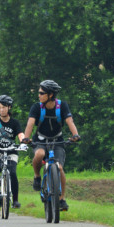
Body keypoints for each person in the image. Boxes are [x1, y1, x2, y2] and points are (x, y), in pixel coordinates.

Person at [21, 80, 81, 211]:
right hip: (40, 140)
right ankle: (37, 176)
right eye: (39, 92)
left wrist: (75, 135)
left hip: (57, 141)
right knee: (40, 154)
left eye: (42, 93)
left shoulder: (62, 106)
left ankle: (62, 199)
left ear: (51, 95)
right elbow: (30, 124)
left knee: (59, 168)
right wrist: (26, 138)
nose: (39, 95)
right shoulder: (37, 107)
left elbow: (69, 121)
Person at [0, 95, 27, 209]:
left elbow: (20, 134)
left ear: (9, 107)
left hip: (11, 150)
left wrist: (23, 143)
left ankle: (15, 200)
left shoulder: (14, 123)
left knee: (12, 172)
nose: (1, 110)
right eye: (0, 107)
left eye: (4, 107)